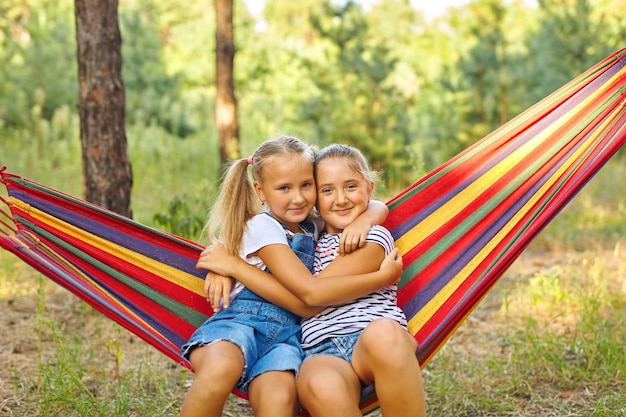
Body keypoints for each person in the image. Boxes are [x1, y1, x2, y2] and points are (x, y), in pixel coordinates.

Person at [179, 136, 401, 417]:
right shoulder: (262, 227)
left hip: (287, 340)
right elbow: (307, 298)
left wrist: (365, 220)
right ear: (260, 191)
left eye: (306, 185)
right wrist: (381, 279)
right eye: (284, 188)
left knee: (279, 401)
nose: (298, 198)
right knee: (221, 368)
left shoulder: (314, 225)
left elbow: (376, 204)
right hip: (242, 325)